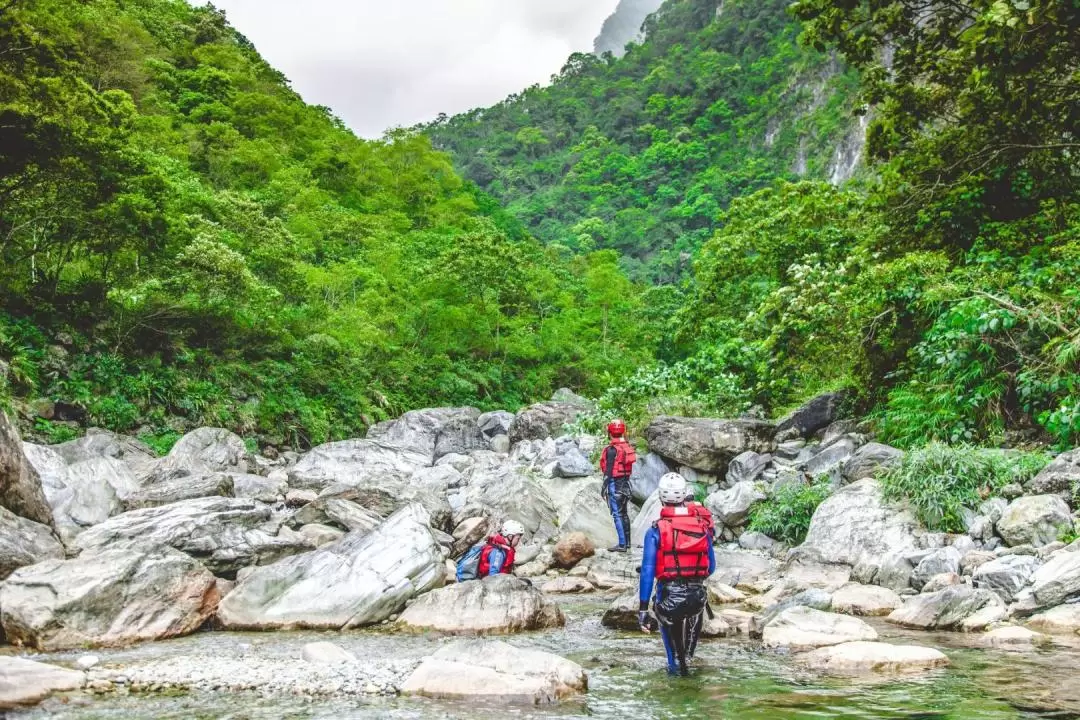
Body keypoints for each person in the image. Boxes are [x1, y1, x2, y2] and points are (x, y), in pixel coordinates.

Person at [638, 473, 716, 676]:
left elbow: (647, 571)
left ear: (662, 498)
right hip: (697, 597)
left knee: (673, 660)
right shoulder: (701, 526)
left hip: (669, 596)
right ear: (684, 496)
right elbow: (712, 567)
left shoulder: (655, 531)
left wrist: (643, 610)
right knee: (688, 650)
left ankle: (675, 670)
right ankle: (689, 660)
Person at [600, 418, 636, 552]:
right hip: (626, 484)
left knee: (617, 514)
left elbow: (609, 471)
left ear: (610, 432)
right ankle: (627, 543)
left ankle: (621, 544)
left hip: (615, 484)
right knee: (624, 513)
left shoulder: (611, 450)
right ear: (623, 432)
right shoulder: (626, 447)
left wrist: (604, 486)